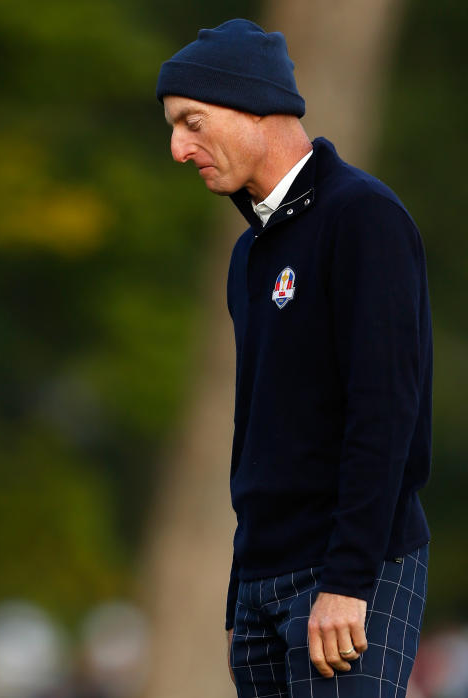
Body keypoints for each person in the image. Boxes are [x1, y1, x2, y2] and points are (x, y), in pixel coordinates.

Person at [156, 19, 431, 697]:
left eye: (192, 121)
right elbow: (254, 430)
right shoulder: (250, 252)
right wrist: (236, 597)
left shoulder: (362, 217)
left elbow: (386, 410)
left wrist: (346, 579)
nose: (177, 148)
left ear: (255, 106)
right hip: (260, 583)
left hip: (348, 574)